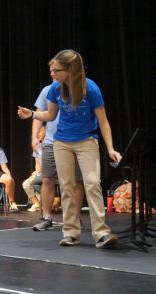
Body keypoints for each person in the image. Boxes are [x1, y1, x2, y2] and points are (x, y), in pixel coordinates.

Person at [18, 49, 121, 248]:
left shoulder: (90, 88)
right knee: (66, 186)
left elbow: (104, 122)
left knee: (92, 183)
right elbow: (49, 115)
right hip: (62, 142)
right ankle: (71, 233)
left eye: (57, 70)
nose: (53, 73)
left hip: (87, 141)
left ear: (70, 70)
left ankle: (101, 233)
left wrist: (110, 148)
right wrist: (31, 114)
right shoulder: (55, 89)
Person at [29, 63, 84, 231]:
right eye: (50, 70)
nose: (52, 73)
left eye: (56, 70)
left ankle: (75, 217)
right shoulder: (47, 90)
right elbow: (38, 116)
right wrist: (34, 138)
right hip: (51, 142)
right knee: (47, 179)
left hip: (73, 140)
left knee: (76, 181)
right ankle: (46, 217)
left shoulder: (76, 89)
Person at [22, 126, 45, 213]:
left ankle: (41, 203)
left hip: (52, 172)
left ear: (45, 132)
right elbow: (37, 164)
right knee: (27, 183)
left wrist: (39, 172)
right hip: (42, 173)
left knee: (30, 183)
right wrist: (37, 172)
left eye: (40, 132)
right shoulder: (37, 147)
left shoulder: (51, 145)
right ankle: (37, 204)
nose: (38, 134)